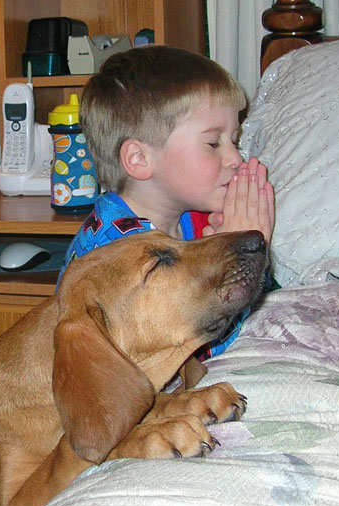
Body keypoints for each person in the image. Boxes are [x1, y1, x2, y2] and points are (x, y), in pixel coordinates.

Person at [56, 45, 274, 360]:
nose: (235, 158)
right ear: (139, 158)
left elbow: (260, 297)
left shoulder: (194, 220)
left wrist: (250, 256)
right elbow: (185, 357)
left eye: (235, 140)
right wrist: (237, 261)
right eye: (213, 143)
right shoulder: (120, 260)